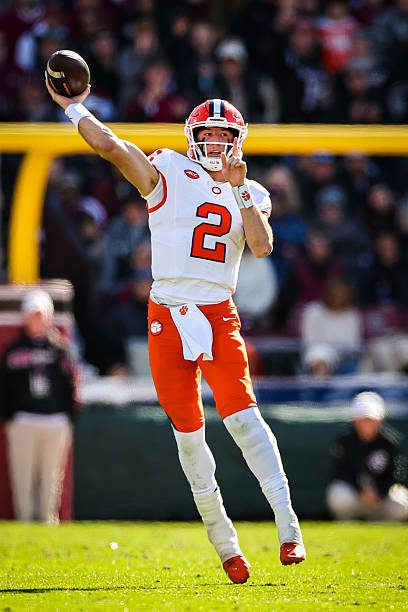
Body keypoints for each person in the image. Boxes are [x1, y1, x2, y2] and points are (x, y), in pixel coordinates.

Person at [45, 78, 306, 583]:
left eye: (224, 136)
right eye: (208, 134)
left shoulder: (251, 190)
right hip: (167, 314)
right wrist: (75, 108)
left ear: (238, 142)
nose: (216, 143)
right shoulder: (167, 168)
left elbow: (262, 246)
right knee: (189, 436)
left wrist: (238, 189)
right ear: (193, 137)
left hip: (218, 312)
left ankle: (288, 528)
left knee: (244, 419)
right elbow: (112, 147)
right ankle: (225, 543)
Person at [0, 289, 77, 523]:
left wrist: (69, 417)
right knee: (22, 476)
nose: (37, 320)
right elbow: (5, 387)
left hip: (55, 420)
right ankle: (24, 520)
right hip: (23, 419)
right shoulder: (13, 350)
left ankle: (48, 521)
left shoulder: (61, 350)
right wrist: (10, 417)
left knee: (51, 476)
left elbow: (71, 385)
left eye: (41, 315)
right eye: (32, 315)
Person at [326, 391, 408, 521]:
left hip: (380, 499)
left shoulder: (390, 443)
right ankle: (347, 523)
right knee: (338, 493)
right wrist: (360, 489)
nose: (367, 424)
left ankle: (383, 525)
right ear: (355, 421)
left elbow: (396, 475)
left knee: (401, 501)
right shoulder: (344, 441)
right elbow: (341, 472)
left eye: (371, 420)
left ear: (380, 421)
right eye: (363, 420)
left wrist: (379, 491)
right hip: (355, 497)